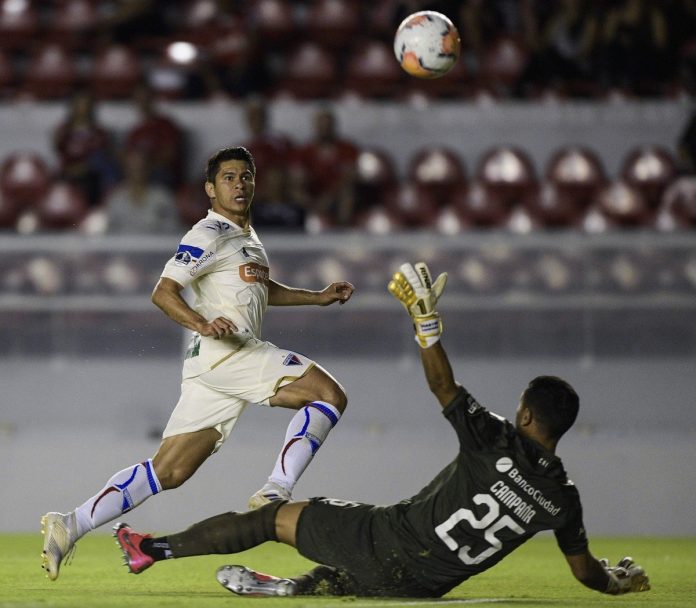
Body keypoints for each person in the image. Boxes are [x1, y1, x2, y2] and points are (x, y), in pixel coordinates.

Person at [112, 262, 650, 599]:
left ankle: (153, 550)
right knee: (351, 578)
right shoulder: (563, 498)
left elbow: (444, 387)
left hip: (386, 538)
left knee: (272, 518)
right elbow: (584, 573)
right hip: (426, 587)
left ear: (528, 417)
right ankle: (301, 589)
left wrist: (426, 326)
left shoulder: (497, 440)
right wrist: (614, 581)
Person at [41, 146, 354, 581]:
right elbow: (163, 292)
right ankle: (274, 491)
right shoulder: (208, 233)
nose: (239, 184)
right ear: (210, 189)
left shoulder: (245, 238)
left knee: (170, 470)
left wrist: (315, 297)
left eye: (245, 176)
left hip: (211, 369)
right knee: (328, 395)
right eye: (228, 177)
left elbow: (263, 289)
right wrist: (202, 322)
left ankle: (69, 524)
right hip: (230, 353)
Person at [102, 150, 180, 234]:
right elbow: (109, 232)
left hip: (156, 246)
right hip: (124, 246)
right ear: (126, 170)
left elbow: (173, 228)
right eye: (133, 168)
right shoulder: (116, 199)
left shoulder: (162, 197)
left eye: (140, 167)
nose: (136, 172)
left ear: (148, 169)